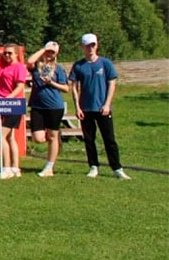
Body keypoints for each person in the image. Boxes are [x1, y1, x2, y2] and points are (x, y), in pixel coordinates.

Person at [69, 34, 129, 180]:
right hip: (86, 109)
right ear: (83, 47)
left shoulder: (105, 63)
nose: (90, 48)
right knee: (89, 139)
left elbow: (112, 84)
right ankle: (93, 166)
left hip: (103, 108)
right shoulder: (78, 65)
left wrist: (107, 104)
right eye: (87, 46)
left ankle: (117, 168)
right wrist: (77, 107)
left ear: (96, 46)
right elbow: (74, 87)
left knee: (109, 139)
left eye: (93, 45)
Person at [27, 42, 70, 177]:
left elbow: (66, 88)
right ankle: (55, 140)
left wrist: (51, 83)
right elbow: (29, 61)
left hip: (54, 106)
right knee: (38, 138)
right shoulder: (37, 67)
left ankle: (49, 167)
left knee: (52, 136)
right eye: (48, 52)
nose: (49, 54)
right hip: (37, 106)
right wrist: (44, 49)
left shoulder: (58, 69)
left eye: (52, 52)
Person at [0, 43, 29, 179]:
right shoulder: (4, 65)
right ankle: (15, 167)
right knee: (10, 137)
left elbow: (20, 86)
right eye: (5, 53)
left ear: (16, 54)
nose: (7, 55)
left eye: (10, 53)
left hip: (13, 104)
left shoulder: (19, 67)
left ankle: (6, 168)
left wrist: (8, 98)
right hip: (3, 104)